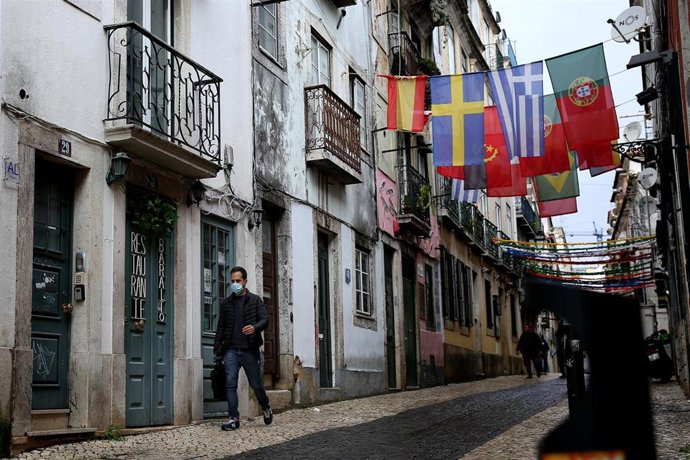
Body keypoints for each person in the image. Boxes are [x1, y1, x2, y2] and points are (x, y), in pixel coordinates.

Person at [214, 266, 273, 430]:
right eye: (232, 281)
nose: (234, 283)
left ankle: (266, 406)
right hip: (231, 350)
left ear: (245, 281)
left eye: (238, 281)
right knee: (230, 383)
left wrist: (254, 328)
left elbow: (265, 319)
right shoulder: (226, 303)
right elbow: (221, 327)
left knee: (256, 384)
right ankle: (233, 418)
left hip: (249, 349)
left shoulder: (255, 300)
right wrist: (217, 350)